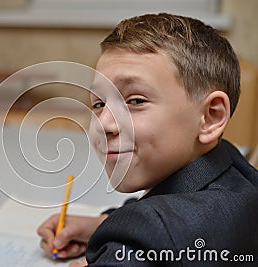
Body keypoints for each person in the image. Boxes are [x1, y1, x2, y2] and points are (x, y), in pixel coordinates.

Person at [37, 13, 258, 266]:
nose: (104, 124)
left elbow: (156, 232)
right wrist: (103, 224)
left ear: (210, 117)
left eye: (136, 101)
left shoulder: (139, 245)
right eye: (98, 103)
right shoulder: (233, 168)